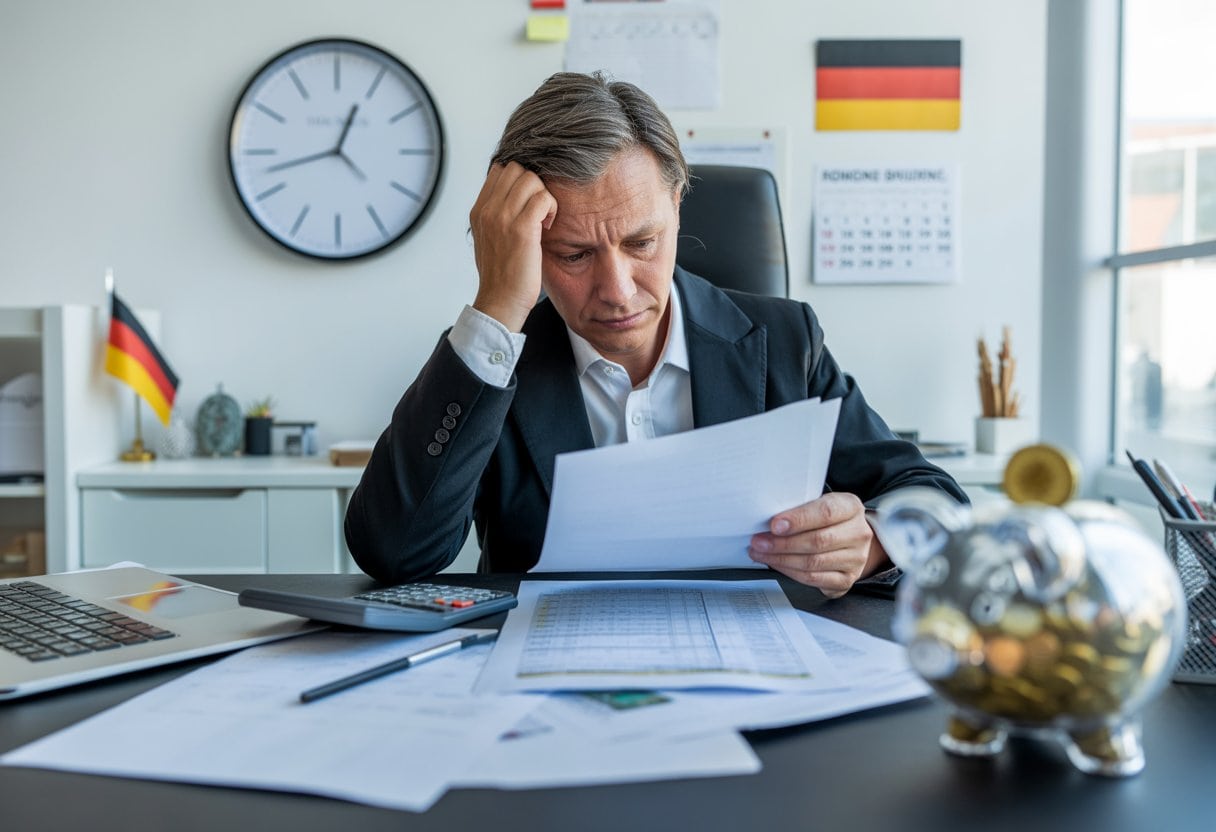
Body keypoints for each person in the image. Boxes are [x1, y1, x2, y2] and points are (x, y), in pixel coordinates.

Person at [346, 72, 966, 597]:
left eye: (641, 243)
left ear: (676, 201)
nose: (616, 289)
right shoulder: (494, 364)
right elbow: (396, 552)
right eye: (573, 254)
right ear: (526, 243)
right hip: (548, 690)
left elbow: (937, 500)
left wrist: (876, 542)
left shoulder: (784, 341)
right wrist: (497, 305)